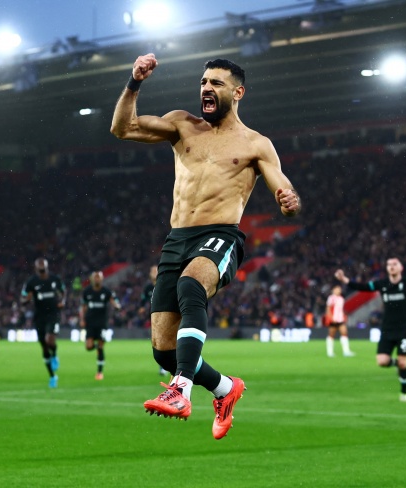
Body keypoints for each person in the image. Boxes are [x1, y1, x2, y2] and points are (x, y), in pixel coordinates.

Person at [111, 53, 301, 439]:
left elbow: (284, 189)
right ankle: (225, 388)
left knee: (191, 284)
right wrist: (134, 82)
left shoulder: (256, 144)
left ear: (238, 92)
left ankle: (180, 389)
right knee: (164, 350)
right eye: (203, 82)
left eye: (216, 83)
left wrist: (289, 200)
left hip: (221, 235)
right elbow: (122, 128)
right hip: (177, 238)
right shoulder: (182, 124)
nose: (206, 88)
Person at [335, 248, 406, 402]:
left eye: (395, 264)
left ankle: (404, 393)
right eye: (389, 264)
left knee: (404, 362)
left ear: (401, 268)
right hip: (387, 329)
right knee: (382, 361)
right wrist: (345, 279)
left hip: (404, 329)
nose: (391, 266)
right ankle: (397, 364)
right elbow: (363, 287)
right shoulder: (382, 284)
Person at [21, 258, 66, 388]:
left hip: (53, 314)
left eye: (43, 267)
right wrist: (27, 299)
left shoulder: (55, 279)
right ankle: (52, 376)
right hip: (39, 316)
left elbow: (63, 291)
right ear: (36, 268)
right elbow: (23, 298)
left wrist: (63, 301)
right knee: (44, 347)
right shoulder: (31, 282)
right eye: (39, 267)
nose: (42, 269)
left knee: (49, 340)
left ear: (47, 267)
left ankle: (55, 355)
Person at [79, 270, 121, 381]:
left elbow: (114, 300)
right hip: (90, 322)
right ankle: (97, 347)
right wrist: (82, 319)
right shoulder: (87, 291)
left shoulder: (106, 291)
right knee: (88, 347)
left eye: (99, 277)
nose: (97, 279)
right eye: (95, 277)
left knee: (101, 346)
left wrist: (117, 305)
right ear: (92, 279)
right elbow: (83, 306)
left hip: (102, 323)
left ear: (102, 279)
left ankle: (99, 372)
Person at [140, 265, 168, 375]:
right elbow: (143, 300)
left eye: (156, 271)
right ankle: (164, 366)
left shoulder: (164, 284)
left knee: (164, 341)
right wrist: (141, 308)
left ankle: (166, 366)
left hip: (166, 315)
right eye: (152, 271)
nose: (154, 273)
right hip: (153, 316)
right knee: (157, 342)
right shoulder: (148, 287)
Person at [325, 285, 355, 357]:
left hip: (340, 319)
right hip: (333, 319)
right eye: (337, 289)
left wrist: (344, 316)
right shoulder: (331, 298)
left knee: (344, 332)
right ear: (333, 290)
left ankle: (346, 351)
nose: (339, 290)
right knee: (331, 334)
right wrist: (331, 318)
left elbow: (341, 309)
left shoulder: (341, 298)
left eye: (340, 289)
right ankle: (330, 352)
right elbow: (328, 309)